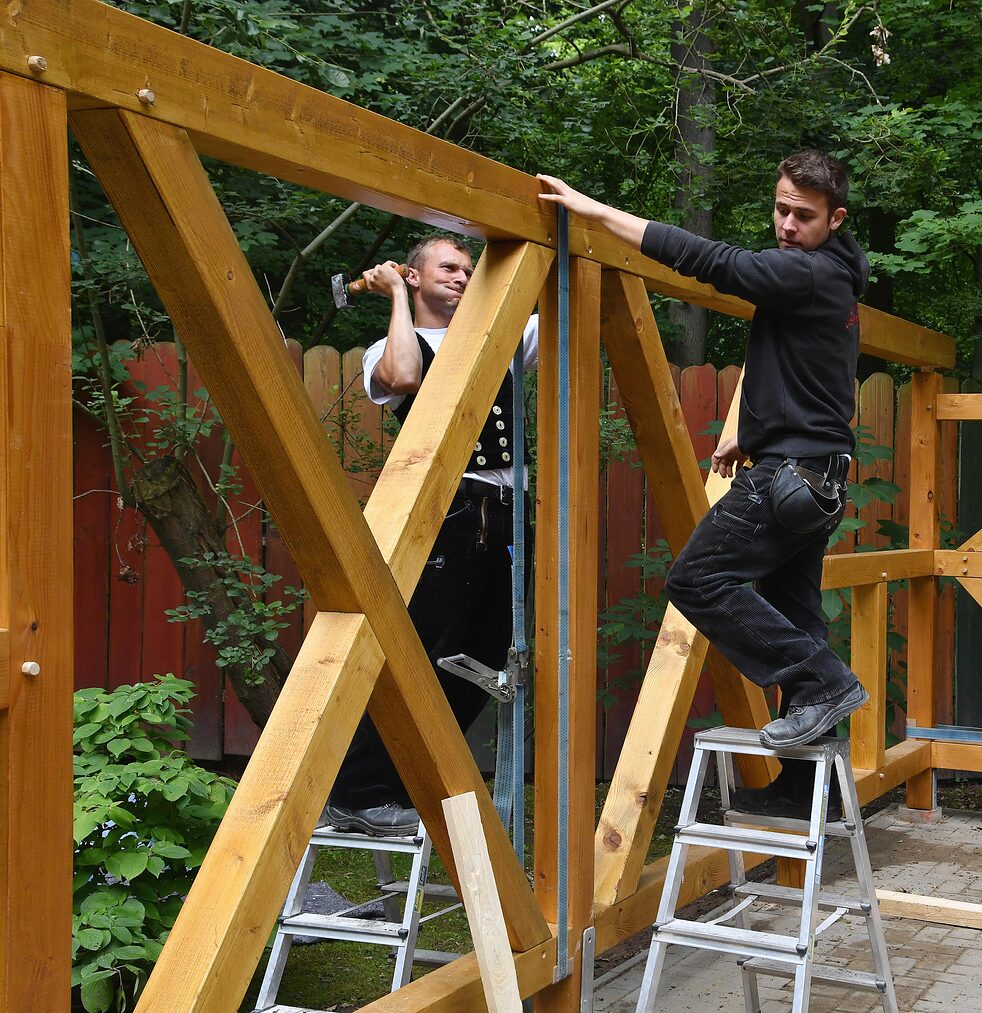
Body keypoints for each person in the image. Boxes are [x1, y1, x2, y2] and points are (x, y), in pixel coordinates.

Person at [537, 150, 868, 817]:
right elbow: (816, 376)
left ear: (835, 218)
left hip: (791, 477)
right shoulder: (835, 273)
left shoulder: (808, 273)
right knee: (798, 615)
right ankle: (808, 794)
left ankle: (821, 682)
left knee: (694, 580)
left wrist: (596, 211)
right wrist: (755, 429)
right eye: (780, 209)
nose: (786, 224)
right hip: (813, 470)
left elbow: (712, 261)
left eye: (803, 216)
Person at [322, 234, 537, 836]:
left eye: (471, 269)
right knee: (424, 644)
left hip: (511, 509)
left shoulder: (503, 335)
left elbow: (558, 298)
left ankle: (406, 778)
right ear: (413, 277)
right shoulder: (385, 347)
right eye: (449, 266)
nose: (464, 276)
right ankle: (357, 790)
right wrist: (391, 295)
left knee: (490, 655)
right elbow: (404, 375)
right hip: (450, 509)